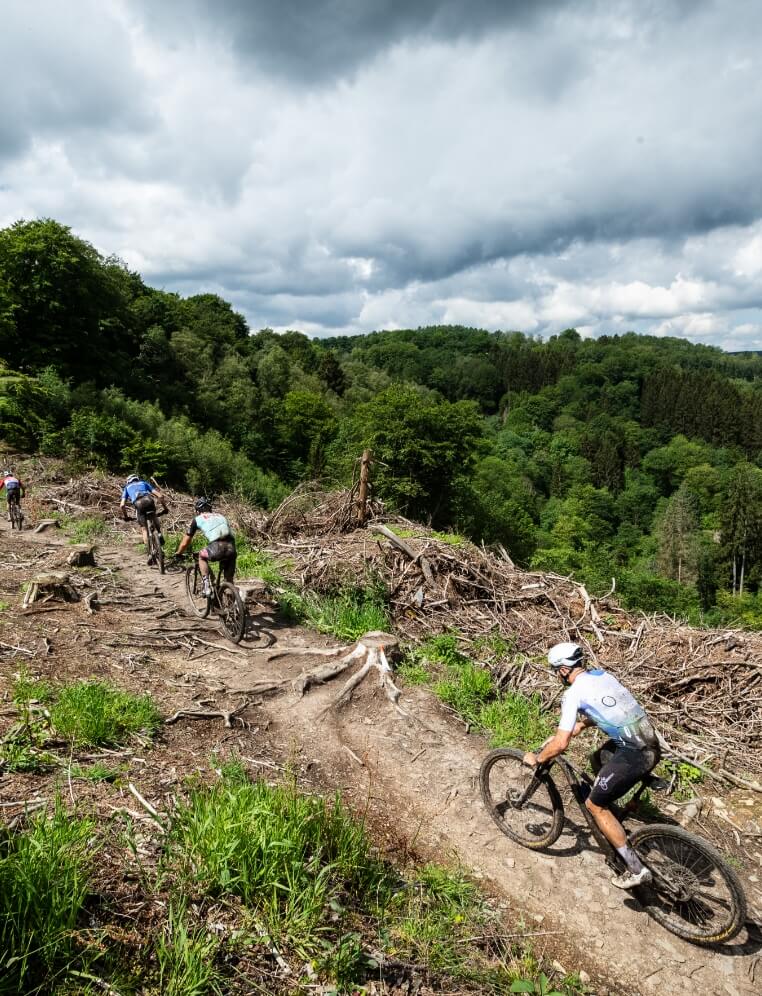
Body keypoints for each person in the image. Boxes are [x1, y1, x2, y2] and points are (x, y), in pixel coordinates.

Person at [523, 642, 661, 890]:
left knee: (593, 805)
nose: (557, 675)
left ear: (564, 670)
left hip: (635, 756)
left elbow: (560, 744)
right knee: (598, 759)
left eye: (557, 670)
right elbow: (615, 707)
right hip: (651, 744)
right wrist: (583, 725)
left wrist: (539, 758)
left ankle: (636, 869)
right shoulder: (603, 676)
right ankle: (613, 808)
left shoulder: (573, 693)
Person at [174, 497, 236, 596]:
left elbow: (185, 542)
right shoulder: (221, 516)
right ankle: (235, 606)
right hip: (231, 547)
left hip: (217, 547)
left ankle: (206, 585)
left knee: (201, 556)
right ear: (210, 508)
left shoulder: (197, 519)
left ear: (197, 510)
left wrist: (178, 553)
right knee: (229, 580)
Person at [119, 474, 168, 562]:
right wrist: (165, 508)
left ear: (128, 481)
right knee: (154, 516)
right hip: (149, 501)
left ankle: (149, 553)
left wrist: (126, 517)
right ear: (137, 479)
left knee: (144, 529)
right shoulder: (144, 483)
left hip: (139, 504)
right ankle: (159, 533)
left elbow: (122, 505)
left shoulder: (127, 487)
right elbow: (160, 496)